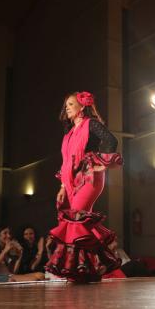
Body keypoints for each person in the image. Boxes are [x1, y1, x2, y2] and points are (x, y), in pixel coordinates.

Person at [46, 91, 123, 283]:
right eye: (66, 105)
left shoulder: (91, 123)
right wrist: (63, 186)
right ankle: (93, 270)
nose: (67, 108)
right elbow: (66, 162)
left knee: (75, 221)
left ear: (82, 106)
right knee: (80, 225)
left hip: (89, 178)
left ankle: (77, 272)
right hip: (72, 182)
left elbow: (111, 140)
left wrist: (101, 163)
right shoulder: (69, 133)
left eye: (71, 104)